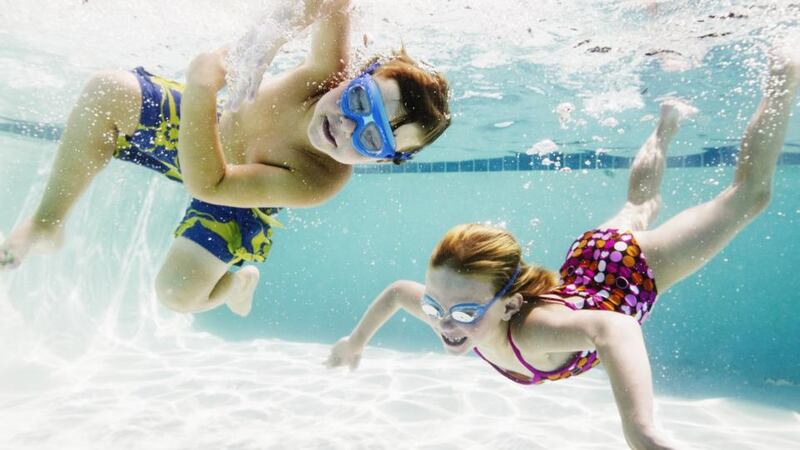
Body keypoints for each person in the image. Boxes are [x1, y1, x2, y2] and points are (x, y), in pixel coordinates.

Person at [326, 47, 799, 449]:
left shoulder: (532, 332)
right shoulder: (449, 310)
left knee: (747, 198)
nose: (444, 323)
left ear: (512, 304)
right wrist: (354, 342)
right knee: (638, 205)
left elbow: (615, 329)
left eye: (466, 313)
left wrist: (640, 429)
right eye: (435, 305)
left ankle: (784, 73)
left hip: (628, 274)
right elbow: (395, 293)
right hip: (589, 262)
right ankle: (665, 124)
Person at [0, 0, 451, 317]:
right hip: (213, 124)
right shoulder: (322, 74)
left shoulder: (321, 180)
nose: (346, 125)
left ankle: (235, 285)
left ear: (381, 161)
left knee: (176, 293)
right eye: (357, 99)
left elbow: (211, 184)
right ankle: (46, 222)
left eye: (370, 139)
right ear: (354, 76)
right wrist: (266, 40)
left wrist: (200, 87)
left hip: (234, 197)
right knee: (108, 89)